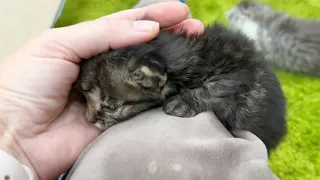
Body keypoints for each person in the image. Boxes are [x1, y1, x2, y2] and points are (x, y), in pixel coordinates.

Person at [0, 1, 280, 180]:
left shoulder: (172, 76)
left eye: (108, 106)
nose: (90, 116)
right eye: (87, 98)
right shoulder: (141, 75)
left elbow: (240, 77)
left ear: (157, 80)